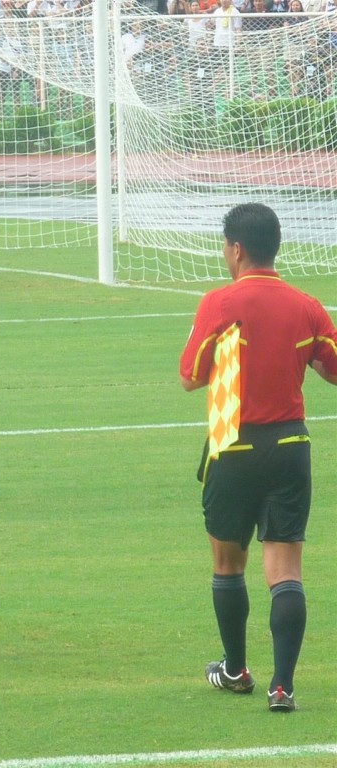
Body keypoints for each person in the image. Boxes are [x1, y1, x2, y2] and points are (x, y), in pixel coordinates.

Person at [179, 202, 337, 712]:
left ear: (237, 249)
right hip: (291, 445)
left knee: (228, 563)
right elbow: (333, 368)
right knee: (285, 569)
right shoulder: (307, 306)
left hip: (234, 444)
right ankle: (283, 687)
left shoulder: (220, 303)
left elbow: (190, 376)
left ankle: (235, 670)